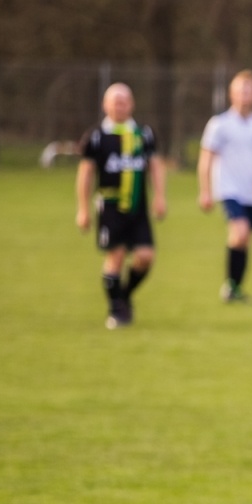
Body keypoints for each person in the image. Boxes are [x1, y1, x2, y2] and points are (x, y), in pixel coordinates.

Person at [75, 83, 166, 330]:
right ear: (105, 105)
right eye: (115, 101)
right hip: (110, 207)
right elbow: (86, 173)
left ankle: (123, 296)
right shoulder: (97, 136)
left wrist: (160, 196)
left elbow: (155, 166)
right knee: (115, 256)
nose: (120, 105)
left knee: (145, 257)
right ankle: (117, 311)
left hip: (138, 207)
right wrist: (83, 209)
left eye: (124, 100)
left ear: (132, 104)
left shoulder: (143, 134)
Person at [197, 70, 252, 302]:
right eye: (240, 91)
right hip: (228, 189)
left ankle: (234, 287)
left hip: (251, 191)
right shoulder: (219, 124)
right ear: (231, 94)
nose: (244, 95)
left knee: (243, 239)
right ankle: (231, 287)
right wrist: (205, 190)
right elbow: (206, 158)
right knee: (240, 233)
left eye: (249, 91)